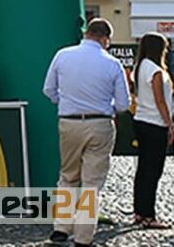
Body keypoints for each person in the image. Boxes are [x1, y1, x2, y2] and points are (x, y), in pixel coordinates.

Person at [41, 18, 131, 247]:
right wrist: (105, 107)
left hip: (69, 122)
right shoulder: (112, 63)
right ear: (104, 38)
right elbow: (123, 104)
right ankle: (83, 237)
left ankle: (61, 228)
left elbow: (48, 89)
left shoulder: (63, 55)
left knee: (68, 176)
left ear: (87, 33)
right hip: (100, 123)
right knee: (91, 183)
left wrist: (65, 103)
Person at [131, 32, 174, 229]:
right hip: (155, 123)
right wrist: (169, 124)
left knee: (143, 170)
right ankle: (149, 215)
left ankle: (140, 212)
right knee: (153, 171)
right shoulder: (156, 70)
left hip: (141, 120)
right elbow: (160, 101)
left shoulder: (140, 67)